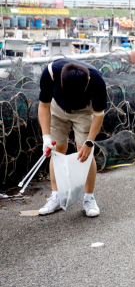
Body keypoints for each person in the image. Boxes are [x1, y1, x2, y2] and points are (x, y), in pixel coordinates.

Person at [38, 60, 107, 217]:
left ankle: (89, 198)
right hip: (57, 108)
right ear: (60, 80)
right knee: (57, 150)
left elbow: (98, 114)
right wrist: (46, 137)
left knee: (84, 152)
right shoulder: (50, 72)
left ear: (87, 82)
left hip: (84, 111)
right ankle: (56, 196)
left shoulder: (97, 81)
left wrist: (89, 142)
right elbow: (44, 106)